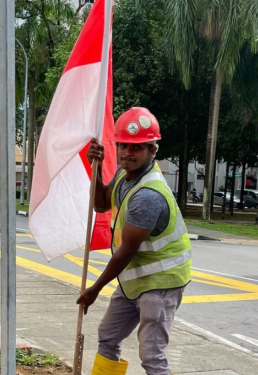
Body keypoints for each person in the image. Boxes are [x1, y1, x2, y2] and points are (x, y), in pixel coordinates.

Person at [77, 107, 192, 375]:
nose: (128, 152)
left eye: (137, 147)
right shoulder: (123, 172)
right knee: (108, 336)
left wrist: (95, 289)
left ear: (152, 151)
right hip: (135, 280)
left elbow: (125, 252)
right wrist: (94, 168)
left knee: (152, 355)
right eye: (123, 145)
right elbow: (101, 204)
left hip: (161, 283)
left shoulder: (148, 195)